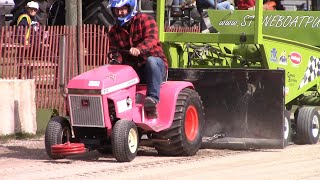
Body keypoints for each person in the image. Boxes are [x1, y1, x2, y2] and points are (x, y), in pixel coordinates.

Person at [107, 0, 168, 119]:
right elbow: (115, 51)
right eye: (116, 10)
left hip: (155, 67)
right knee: (114, 71)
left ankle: (152, 100)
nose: (120, 12)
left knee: (151, 61)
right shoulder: (114, 31)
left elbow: (152, 39)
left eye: (122, 9)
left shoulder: (145, 20)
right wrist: (115, 61)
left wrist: (139, 49)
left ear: (131, 8)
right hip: (134, 71)